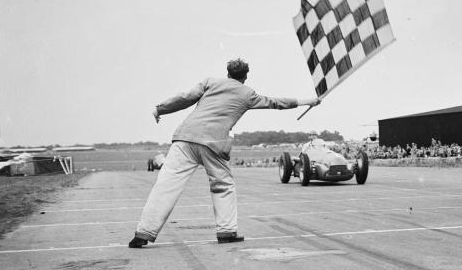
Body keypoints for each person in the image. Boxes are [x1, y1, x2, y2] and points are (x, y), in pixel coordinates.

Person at [128, 58, 320, 247]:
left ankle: (143, 233)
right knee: (223, 186)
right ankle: (226, 231)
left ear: (227, 73)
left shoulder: (210, 82)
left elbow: (185, 98)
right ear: (245, 77)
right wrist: (308, 101)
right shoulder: (248, 94)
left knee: (165, 185)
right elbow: (276, 102)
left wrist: (159, 109)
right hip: (214, 143)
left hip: (185, 137)